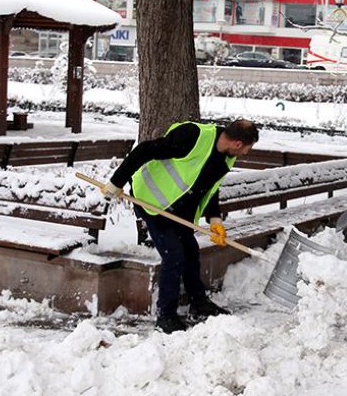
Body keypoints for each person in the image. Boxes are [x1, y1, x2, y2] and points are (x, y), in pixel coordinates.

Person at [101, 119, 259, 333]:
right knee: (174, 255)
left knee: (191, 251)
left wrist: (214, 219)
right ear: (238, 144)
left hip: (180, 210)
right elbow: (144, 150)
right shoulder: (193, 136)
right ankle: (165, 316)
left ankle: (199, 303)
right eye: (247, 149)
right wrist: (116, 182)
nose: (245, 154)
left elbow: (210, 189)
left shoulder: (226, 158)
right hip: (152, 202)